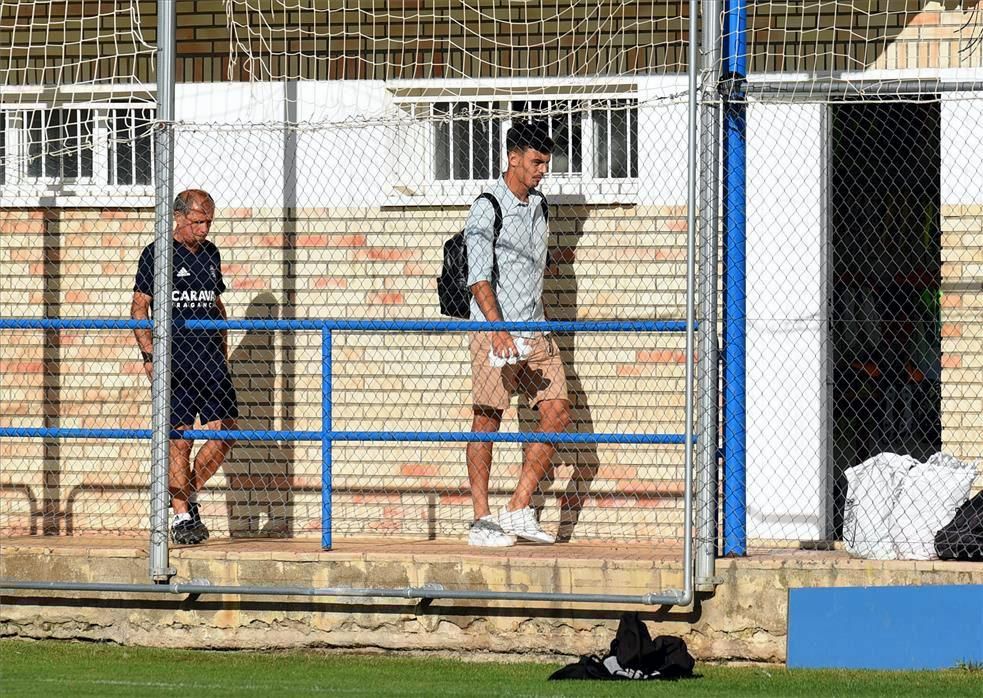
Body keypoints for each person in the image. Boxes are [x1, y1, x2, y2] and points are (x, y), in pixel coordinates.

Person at [464, 121, 571, 547]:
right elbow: (477, 278)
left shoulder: (541, 206)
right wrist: (498, 330)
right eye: (536, 161)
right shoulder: (486, 205)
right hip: (495, 330)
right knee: (487, 418)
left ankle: (517, 509)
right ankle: (481, 521)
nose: (543, 170)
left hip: (535, 328)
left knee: (557, 411)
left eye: (546, 162)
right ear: (513, 158)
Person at [130, 189, 238, 545]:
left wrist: (222, 350)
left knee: (224, 432)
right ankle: (180, 517)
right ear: (178, 217)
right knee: (179, 441)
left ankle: (185, 495)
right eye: (197, 222)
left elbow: (217, 305)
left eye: (208, 221)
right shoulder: (157, 253)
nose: (204, 229)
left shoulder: (210, 253)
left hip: (210, 362)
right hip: (174, 362)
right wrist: (149, 356)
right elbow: (139, 309)